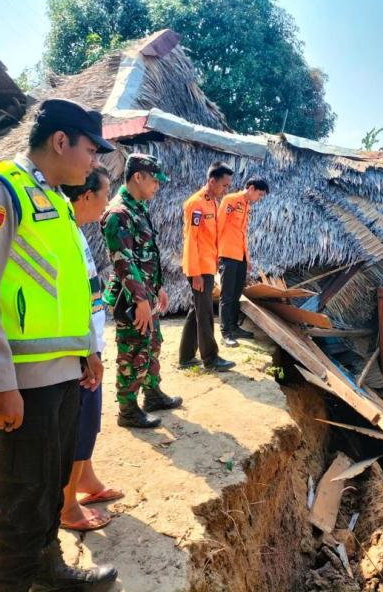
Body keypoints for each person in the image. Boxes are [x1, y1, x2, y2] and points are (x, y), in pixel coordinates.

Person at [0, 98, 118, 591]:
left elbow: (67, 286)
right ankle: (11, 581)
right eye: (91, 150)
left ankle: (46, 567)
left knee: (49, 485)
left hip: (64, 372)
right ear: (61, 141)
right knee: (23, 493)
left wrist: (85, 349)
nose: (95, 163)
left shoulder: (58, 203)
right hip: (25, 382)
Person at [59, 166, 124, 532]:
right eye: (104, 193)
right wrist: (88, 351)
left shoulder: (76, 231)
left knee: (89, 421)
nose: (107, 201)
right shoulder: (65, 232)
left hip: (89, 345)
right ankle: (67, 506)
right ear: (86, 196)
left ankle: (86, 480)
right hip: (80, 350)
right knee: (77, 424)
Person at [101, 153, 182, 429]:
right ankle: (127, 410)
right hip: (131, 299)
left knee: (152, 345)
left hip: (146, 294)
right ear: (138, 176)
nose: (157, 186)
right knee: (132, 352)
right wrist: (139, 300)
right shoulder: (118, 213)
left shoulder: (138, 208)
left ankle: (153, 394)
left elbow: (148, 254)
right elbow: (123, 261)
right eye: (154, 180)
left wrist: (157, 288)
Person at [178, 161, 237, 370]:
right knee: (204, 313)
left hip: (207, 265)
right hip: (199, 268)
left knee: (197, 310)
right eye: (224, 185)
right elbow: (191, 240)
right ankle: (211, 359)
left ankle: (185, 357)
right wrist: (195, 273)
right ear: (212, 181)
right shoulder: (196, 203)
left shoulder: (212, 201)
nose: (226, 190)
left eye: (228, 186)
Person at [217, 177, 269, 347]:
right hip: (228, 254)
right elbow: (219, 226)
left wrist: (247, 258)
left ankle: (234, 326)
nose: (259, 199)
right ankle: (225, 333)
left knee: (237, 293)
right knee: (227, 294)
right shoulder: (230, 200)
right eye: (259, 195)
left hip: (240, 256)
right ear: (251, 188)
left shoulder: (246, 206)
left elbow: (241, 233)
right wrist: (216, 253)